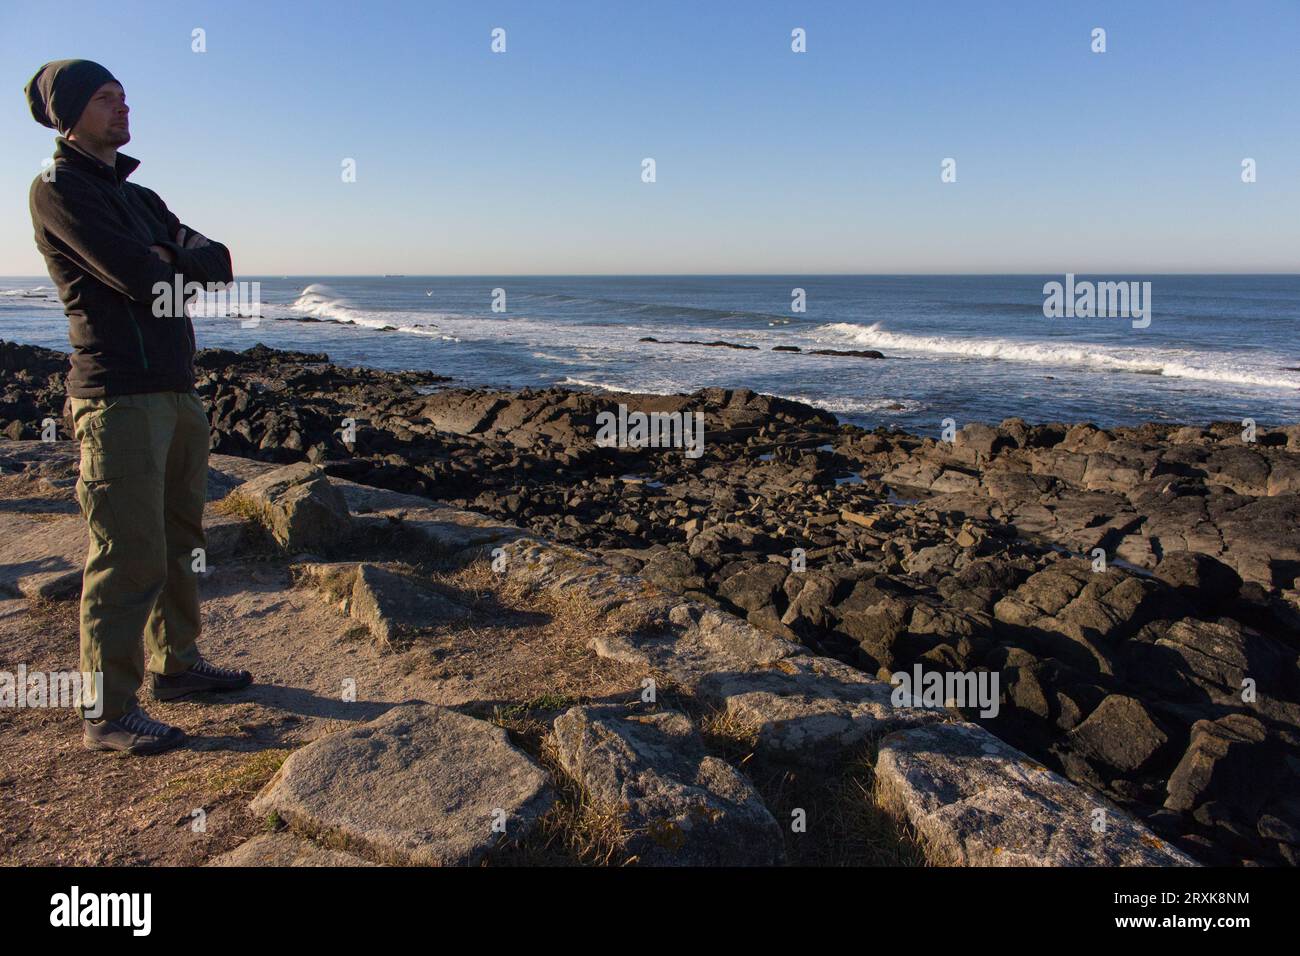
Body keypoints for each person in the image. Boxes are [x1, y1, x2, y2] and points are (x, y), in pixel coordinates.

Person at [25, 59, 252, 755]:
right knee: (128, 553)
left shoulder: (143, 196)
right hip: (117, 396)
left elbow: (219, 261)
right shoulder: (57, 190)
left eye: (124, 97)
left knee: (183, 542)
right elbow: (138, 277)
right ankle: (107, 711)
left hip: (177, 390)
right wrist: (165, 260)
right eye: (104, 99)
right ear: (68, 114)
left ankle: (176, 666)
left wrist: (168, 255)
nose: (123, 110)